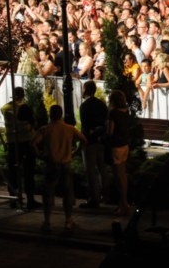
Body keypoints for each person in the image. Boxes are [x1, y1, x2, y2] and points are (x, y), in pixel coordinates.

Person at [35, 104, 87, 233]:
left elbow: (33, 143)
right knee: (67, 192)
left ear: (50, 115)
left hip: (51, 163)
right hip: (66, 163)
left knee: (48, 192)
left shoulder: (46, 129)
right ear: (61, 115)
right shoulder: (70, 129)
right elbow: (84, 140)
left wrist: (40, 155)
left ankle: (47, 222)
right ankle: (68, 221)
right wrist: (75, 153)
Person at [1, 86, 40, 209]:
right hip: (26, 142)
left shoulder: (5, 108)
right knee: (29, 172)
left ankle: (13, 199)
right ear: (23, 95)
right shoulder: (25, 108)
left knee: (13, 172)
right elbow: (33, 123)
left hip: (12, 143)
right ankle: (30, 200)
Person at [79, 80, 109, 209]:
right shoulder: (101, 104)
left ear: (85, 90)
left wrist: (83, 140)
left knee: (91, 171)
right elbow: (106, 122)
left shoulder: (85, 106)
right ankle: (106, 196)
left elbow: (85, 126)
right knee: (102, 169)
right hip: (101, 141)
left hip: (89, 142)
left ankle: (94, 199)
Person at [107, 90, 132, 216]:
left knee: (118, 176)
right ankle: (124, 203)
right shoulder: (126, 112)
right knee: (123, 175)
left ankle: (124, 204)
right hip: (125, 145)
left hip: (116, 146)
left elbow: (110, 132)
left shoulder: (113, 113)